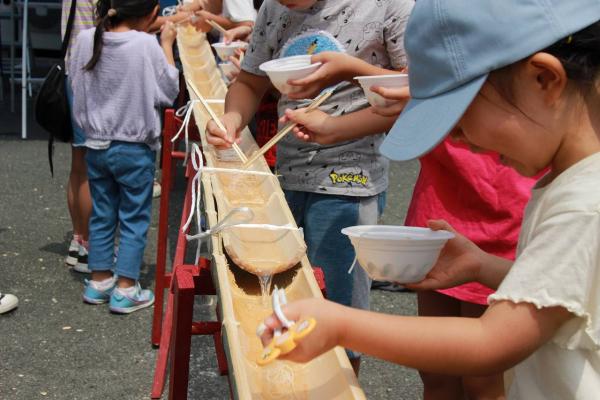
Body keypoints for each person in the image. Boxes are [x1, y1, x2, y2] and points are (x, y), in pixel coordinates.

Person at [258, 1, 600, 398]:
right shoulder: (574, 182)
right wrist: (485, 267)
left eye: (460, 117)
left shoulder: (583, 203)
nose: (454, 139)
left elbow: (490, 343)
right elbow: (574, 299)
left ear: (544, 79)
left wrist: (339, 324)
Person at [206, 0, 414, 373]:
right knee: (285, 306)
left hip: (350, 180)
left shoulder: (389, 6)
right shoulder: (274, 8)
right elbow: (250, 81)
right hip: (286, 172)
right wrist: (232, 118)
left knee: (338, 315)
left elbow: (413, 91)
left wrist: (336, 129)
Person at [68, 0, 179, 313]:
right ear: (153, 13)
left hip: (96, 143)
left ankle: (100, 280)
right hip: (133, 146)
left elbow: (76, 86)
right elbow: (168, 91)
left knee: (103, 213)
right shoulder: (145, 45)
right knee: (133, 217)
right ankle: (126, 288)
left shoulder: (86, 39)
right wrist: (167, 44)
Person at [61, 0, 95, 273]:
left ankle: (77, 239)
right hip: (91, 78)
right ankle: (90, 246)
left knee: (78, 165)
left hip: (72, 72)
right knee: (91, 171)